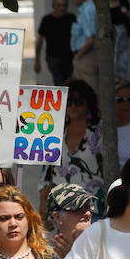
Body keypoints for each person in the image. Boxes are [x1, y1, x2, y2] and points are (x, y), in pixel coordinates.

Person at [40, 80, 105, 214]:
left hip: (94, 208)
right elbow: (46, 173)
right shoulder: (55, 131)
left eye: (78, 102)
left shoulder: (101, 131)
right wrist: (43, 203)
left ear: (88, 102)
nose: (73, 106)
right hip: (60, 208)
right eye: (68, 102)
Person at [45, 183, 95, 259]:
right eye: (79, 208)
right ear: (58, 217)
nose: (87, 213)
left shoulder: (102, 244)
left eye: (88, 207)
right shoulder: (45, 253)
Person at [69, 0, 99, 89]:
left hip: (87, 55)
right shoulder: (86, 9)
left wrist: (78, 56)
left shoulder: (88, 10)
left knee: (88, 89)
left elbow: (91, 38)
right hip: (85, 54)